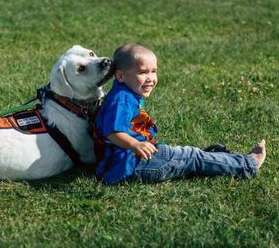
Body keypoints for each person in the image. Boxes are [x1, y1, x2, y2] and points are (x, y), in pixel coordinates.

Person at [94, 43, 266, 184]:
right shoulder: (121, 100)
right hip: (131, 166)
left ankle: (216, 158)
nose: (150, 78)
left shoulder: (125, 93)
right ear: (121, 76)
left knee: (189, 156)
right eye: (142, 72)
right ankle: (247, 164)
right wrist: (135, 145)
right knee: (191, 156)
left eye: (153, 71)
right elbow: (113, 132)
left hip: (132, 160)